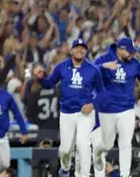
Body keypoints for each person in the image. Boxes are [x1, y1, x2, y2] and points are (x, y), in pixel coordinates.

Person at [32, 38, 104, 177]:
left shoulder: (93, 70)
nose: (80, 50)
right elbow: (49, 84)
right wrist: (40, 78)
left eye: (83, 48)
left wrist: (93, 105)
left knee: (83, 145)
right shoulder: (61, 67)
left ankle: (84, 175)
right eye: (77, 47)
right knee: (65, 150)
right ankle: (65, 168)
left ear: (86, 51)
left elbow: (102, 92)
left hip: (85, 115)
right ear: (71, 51)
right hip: (66, 114)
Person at [93, 37, 140, 177]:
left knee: (125, 143)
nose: (132, 54)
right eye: (129, 52)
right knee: (107, 144)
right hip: (107, 109)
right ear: (119, 49)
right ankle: (98, 154)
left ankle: (125, 174)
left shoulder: (135, 64)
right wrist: (104, 66)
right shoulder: (104, 58)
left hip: (127, 108)